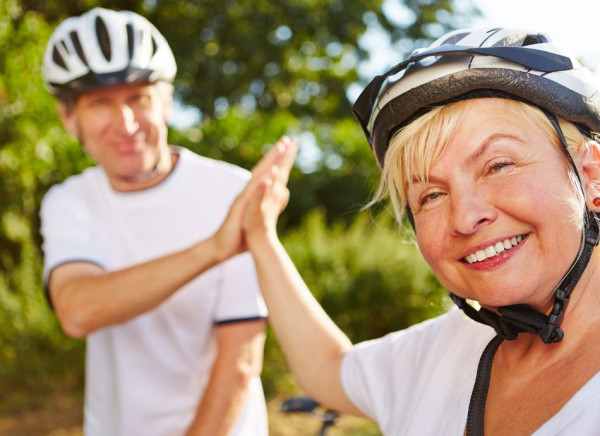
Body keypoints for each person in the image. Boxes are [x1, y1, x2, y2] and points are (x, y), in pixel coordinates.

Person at [238, 27, 600, 435]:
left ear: (591, 176)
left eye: (498, 165)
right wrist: (261, 236)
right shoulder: (444, 350)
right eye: (430, 195)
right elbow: (326, 368)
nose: (465, 218)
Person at [39, 7, 295, 436]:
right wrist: (212, 250)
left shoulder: (228, 190)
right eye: (100, 103)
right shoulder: (69, 201)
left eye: (138, 98)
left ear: (167, 102)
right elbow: (77, 310)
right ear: (69, 117)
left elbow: (240, 357)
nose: (125, 124)